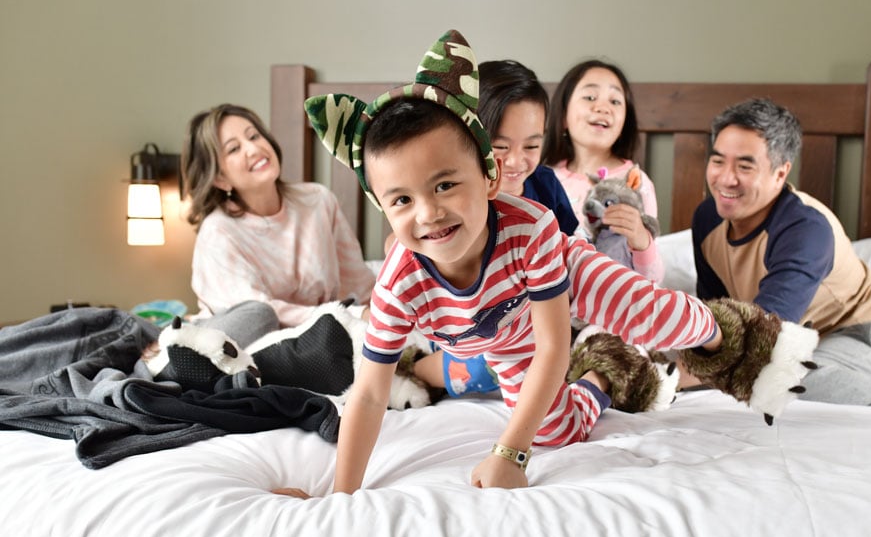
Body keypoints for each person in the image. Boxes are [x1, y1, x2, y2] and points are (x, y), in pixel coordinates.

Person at [275, 30, 736, 497]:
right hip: (504, 332)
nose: (428, 213)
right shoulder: (398, 285)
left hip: (565, 272)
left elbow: (554, 346)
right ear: (383, 207)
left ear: (488, 178)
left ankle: (729, 332)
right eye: (402, 199)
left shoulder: (532, 224)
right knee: (556, 433)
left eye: (445, 186)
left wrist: (508, 452)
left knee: (654, 316)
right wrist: (339, 494)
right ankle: (605, 372)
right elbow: (371, 393)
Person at [689, 97, 871, 440]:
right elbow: (714, 316)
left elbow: (762, 336)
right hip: (794, 347)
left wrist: (686, 374)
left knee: (777, 375)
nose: (726, 179)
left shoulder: (806, 228)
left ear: (781, 172)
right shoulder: (708, 217)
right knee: (743, 382)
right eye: (717, 161)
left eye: (744, 166)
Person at [404, 59, 579, 398]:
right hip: (466, 329)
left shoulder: (544, 185)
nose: (514, 162)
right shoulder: (460, 195)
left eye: (531, 146)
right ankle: (415, 366)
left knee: (573, 347)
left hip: (535, 318)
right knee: (488, 367)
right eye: (500, 147)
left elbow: (572, 253)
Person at [182, 103, 375, 346]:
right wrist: (350, 315)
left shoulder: (317, 201)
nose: (253, 148)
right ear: (220, 178)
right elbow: (257, 316)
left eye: (254, 136)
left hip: (321, 338)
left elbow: (357, 282)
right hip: (245, 346)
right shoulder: (218, 233)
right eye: (234, 149)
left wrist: (385, 314)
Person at [543, 60, 664, 282]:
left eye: (615, 101)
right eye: (590, 97)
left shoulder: (635, 183)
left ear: (624, 123)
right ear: (563, 116)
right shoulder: (544, 178)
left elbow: (652, 280)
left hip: (614, 304)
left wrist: (641, 239)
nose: (602, 107)